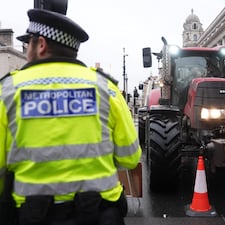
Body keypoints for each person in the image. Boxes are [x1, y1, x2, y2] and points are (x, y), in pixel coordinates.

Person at [0, 8, 141, 225]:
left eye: (28, 43)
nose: (27, 49)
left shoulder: (8, 91)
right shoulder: (106, 89)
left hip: (33, 215)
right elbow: (129, 157)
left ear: (41, 44)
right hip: (100, 214)